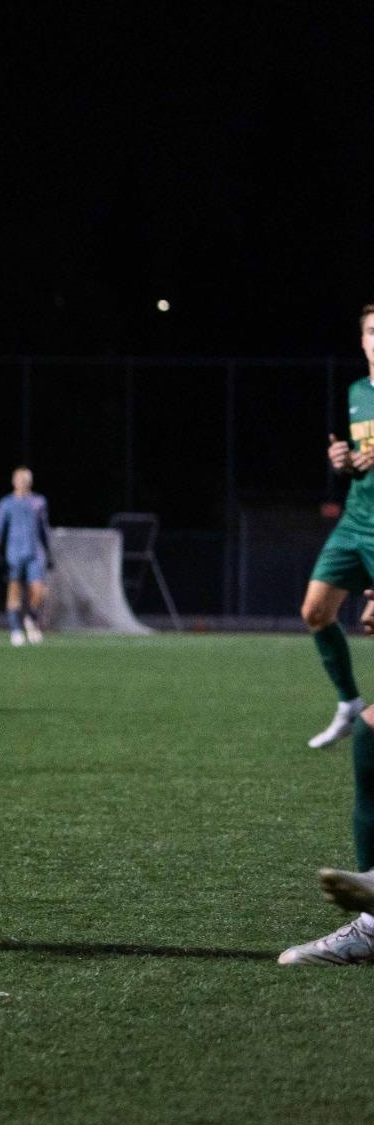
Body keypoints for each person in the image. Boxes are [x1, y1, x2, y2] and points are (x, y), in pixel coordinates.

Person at [279, 303, 374, 964]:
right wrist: (346, 458)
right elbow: (361, 459)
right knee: (370, 727)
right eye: (371, 328)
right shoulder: (357, 393)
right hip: (358, 522)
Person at [0, 466, 52, 646]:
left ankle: (31, 618)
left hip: (35, 552)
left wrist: (49, 552)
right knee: (15, 590)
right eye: (19, 479)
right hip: (14, 553)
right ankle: (16, 629)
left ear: (30, 481)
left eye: (26, 479)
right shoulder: (6, 503)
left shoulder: (39, 502)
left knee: (39, 590)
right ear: (14, 481)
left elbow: (43, 528)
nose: (23, 482)